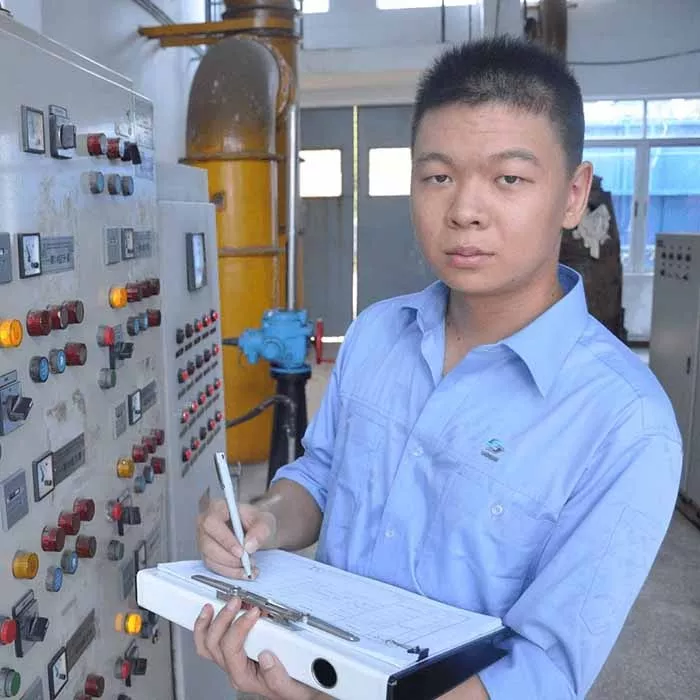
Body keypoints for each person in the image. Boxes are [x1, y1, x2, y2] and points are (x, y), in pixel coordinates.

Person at [194, 36, 682, 699]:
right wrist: (267, 519)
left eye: (509, 179)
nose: (464, 212)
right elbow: (323, 474)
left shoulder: (625, 423)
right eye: (438, 177)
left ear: (573, 195)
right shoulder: (376, 335)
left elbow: (544, 671)